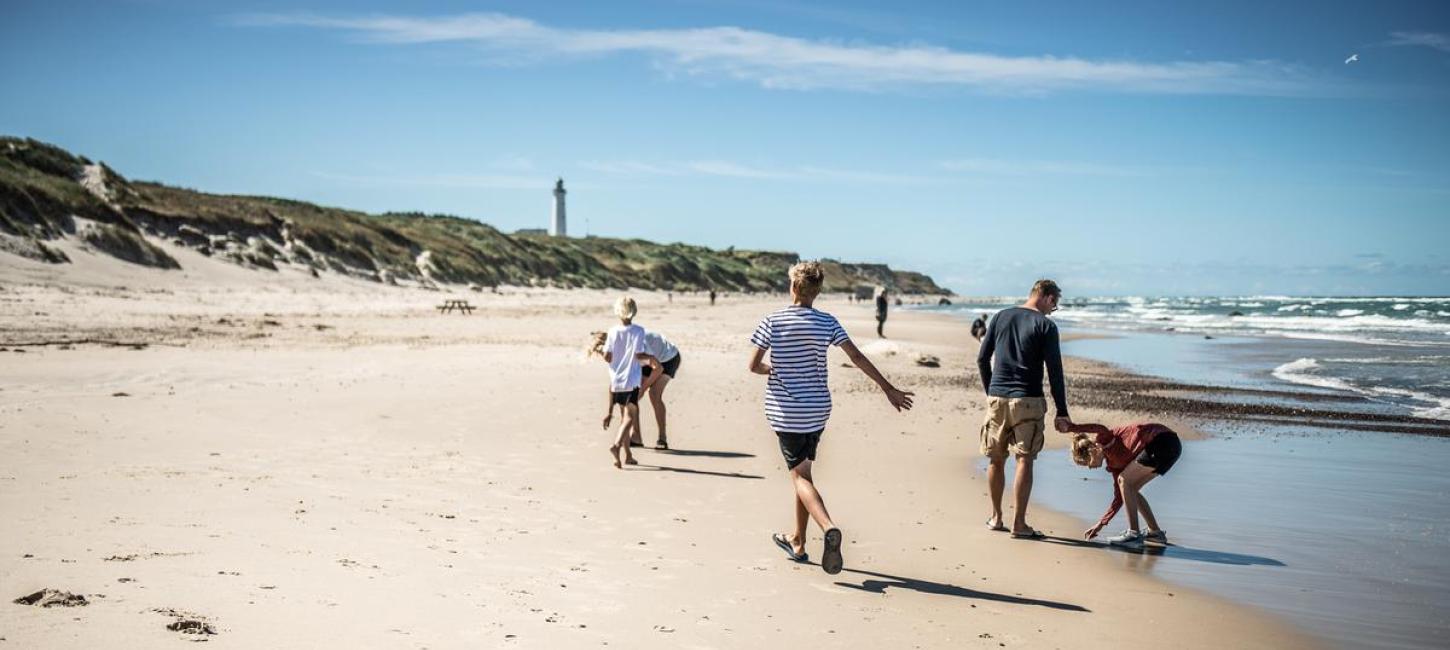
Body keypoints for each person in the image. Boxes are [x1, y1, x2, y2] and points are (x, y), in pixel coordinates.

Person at [749, 261, 914, 574]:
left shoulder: (773, 320)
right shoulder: (827, 322)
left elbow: (754, 365)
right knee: (804, 474)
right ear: (817, 291)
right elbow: (855, 356)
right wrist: (887, 388)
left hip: (788, 412)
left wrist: (775, 369)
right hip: (818, 411)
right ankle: (798, 541)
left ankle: (827, 527)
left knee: (798, 477)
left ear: (793, 287)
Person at [976, 279, 1070, 539]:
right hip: (1028, 399)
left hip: (997, 397)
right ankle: (1019, 523)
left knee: (995, 458)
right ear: (1047, 297)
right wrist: (1062, 410)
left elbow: (982, 358)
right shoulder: (1046, 326)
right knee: (1024, 459)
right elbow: (1055, 372)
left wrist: (991, 391)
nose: (1053, 310)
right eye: (1055, 305)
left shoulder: (1000, 317)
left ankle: (996, 518)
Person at [1065, 421, 1181, 547]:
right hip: (1170, 450)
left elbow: (1100, 427)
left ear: (1092, 451)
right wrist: (1101, 523)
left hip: (1163, 441)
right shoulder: (1114, 465)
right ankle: (1155, 533)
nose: (1089, 468)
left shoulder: (1105, 439)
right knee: (1131, 490)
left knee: (1124, 481)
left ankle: (1133, 534)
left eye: (1087, 463)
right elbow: (1120, 498)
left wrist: (1072, 427)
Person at [598, 297, 660, 469]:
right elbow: (639, 355)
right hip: (631, 380)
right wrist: (651, 360)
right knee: (630, 418)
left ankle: (626, 457)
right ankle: (616, 445)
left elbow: (607, 356)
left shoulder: (612, 331)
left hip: (615, 381)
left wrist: (605, 352)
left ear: (617, 311)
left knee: (623, 420)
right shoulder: (639, 331)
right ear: (634, 311)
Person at [627, 328, 681, 450]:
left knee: (654, 394)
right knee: (632, 395)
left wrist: (643, 389)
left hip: (668, 359)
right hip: (649, 360)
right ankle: (636, 437)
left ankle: (662, 438)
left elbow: (658, 368)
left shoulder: (638, 348)